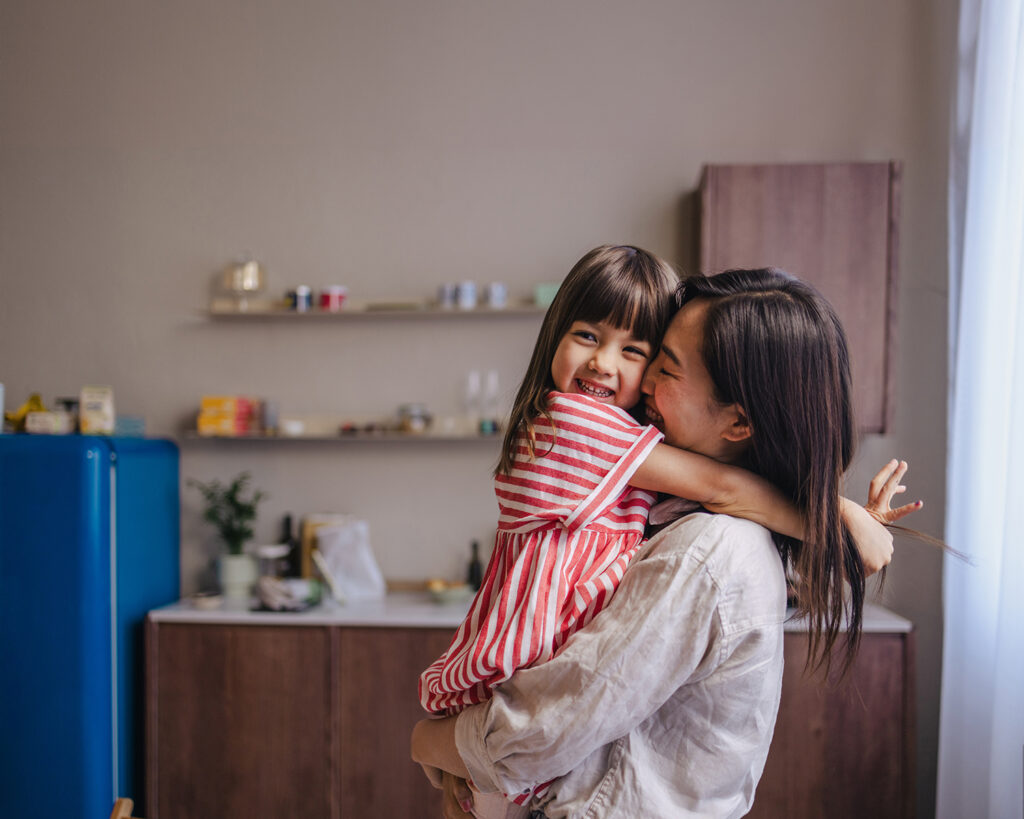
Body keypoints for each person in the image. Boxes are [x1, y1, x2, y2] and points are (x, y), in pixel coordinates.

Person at [413, 267, 917, 818]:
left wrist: (429, 742)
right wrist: (841, 522)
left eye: (660, 364)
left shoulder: (707, 550)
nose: (638, 378)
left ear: (738, 422)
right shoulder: (695, 518)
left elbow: (544, 731)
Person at [420, 247, 810, 730]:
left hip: (535, 685)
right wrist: (836, 522)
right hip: (520, 681)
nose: (602, 363)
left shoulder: (628, 450)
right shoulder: (569, 421)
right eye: (587, 335)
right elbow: (721, 485)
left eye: (634, 352)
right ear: (555, 334)